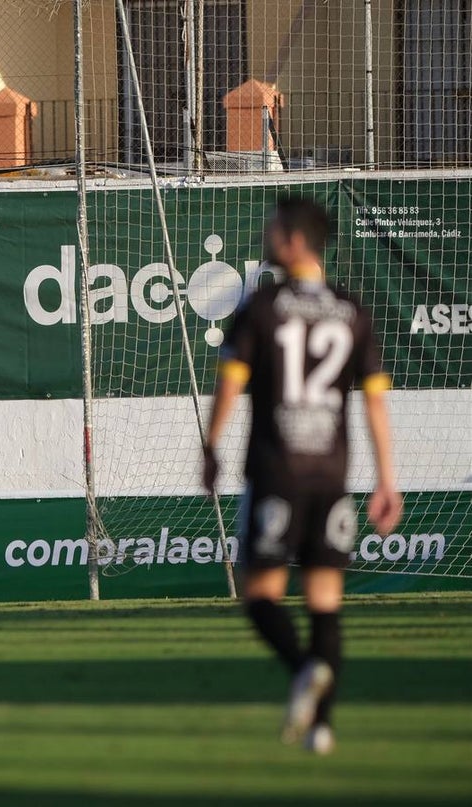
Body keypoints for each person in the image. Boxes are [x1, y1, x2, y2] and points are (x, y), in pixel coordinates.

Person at [202, 196, 402, 756]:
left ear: (293, 240)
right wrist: (387, 480)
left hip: (276, 470)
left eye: (273, 229)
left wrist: (211, 446)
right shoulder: (351, 310)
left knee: (260, 595)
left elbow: (231, 383)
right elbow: (375, 403)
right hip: (331, 475)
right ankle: (322, 729)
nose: (266, 236)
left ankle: (302, 669)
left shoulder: (263, 306)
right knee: (325, 602)